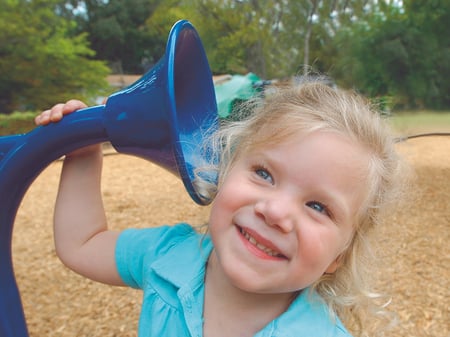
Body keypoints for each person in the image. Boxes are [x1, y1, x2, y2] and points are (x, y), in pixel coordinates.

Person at [35, 81, 406, 337]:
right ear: (224, 173)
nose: (275, 211)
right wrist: (82, 153)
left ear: (338, 256)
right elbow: (82, 243)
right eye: (263, 173)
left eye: (317, 206)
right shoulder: (167, 256)